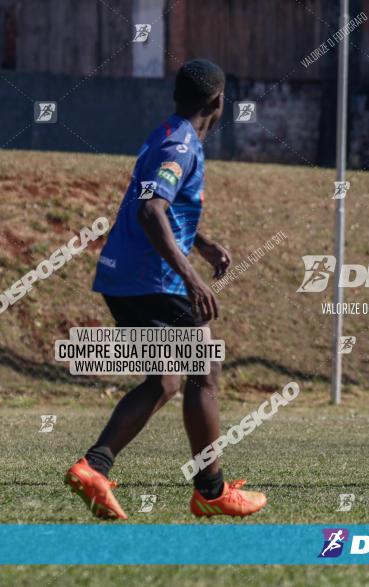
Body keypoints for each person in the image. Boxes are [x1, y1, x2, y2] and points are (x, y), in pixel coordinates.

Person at [64, 59, 266, 519]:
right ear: (218, 101)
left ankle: (94, 467)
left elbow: (153, 204)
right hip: (155, 282)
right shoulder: (181, 145)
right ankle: (212, 492)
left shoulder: (165, 133)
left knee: (166, 378)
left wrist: (204, 244)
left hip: (126, 277)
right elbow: (151, 212)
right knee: (204, 374)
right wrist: (193, 277)